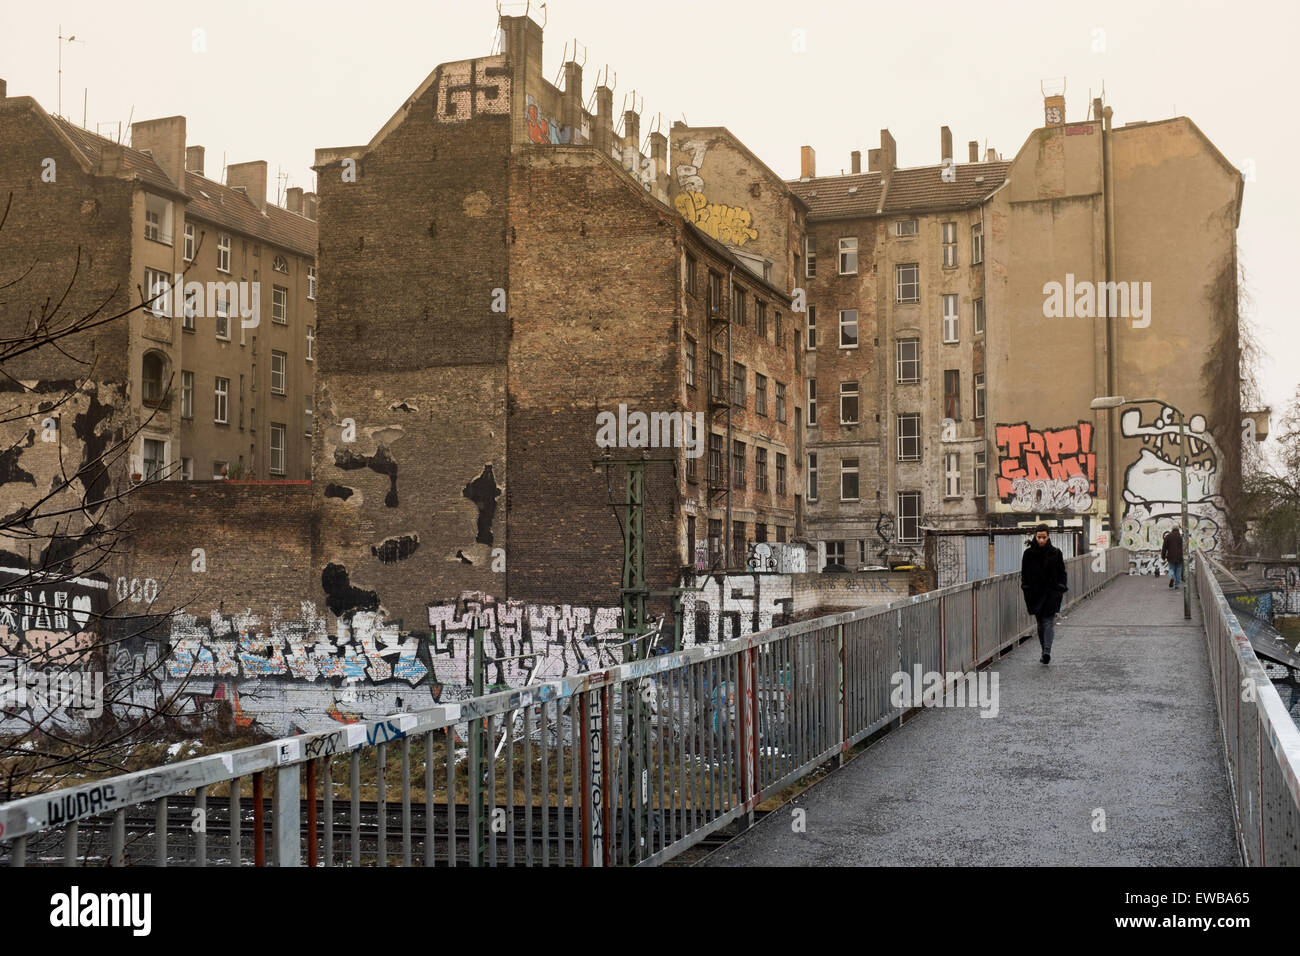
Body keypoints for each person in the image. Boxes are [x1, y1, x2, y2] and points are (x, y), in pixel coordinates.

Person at [1021, 524, 1068, 665]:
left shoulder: (1056, 553)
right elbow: (1024, 575)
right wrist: (1026, 588)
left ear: (1048, 537)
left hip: (1051, 593)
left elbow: (1062, 573)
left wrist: (1060, 587)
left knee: (1048, 622)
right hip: (1034, 595)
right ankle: (1044, 651)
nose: (1041, 540)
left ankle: (1047, 651)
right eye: (1039, 537)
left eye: (1044, 537)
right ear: (1035, 536)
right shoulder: (1028, 554)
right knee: (1040, 624)